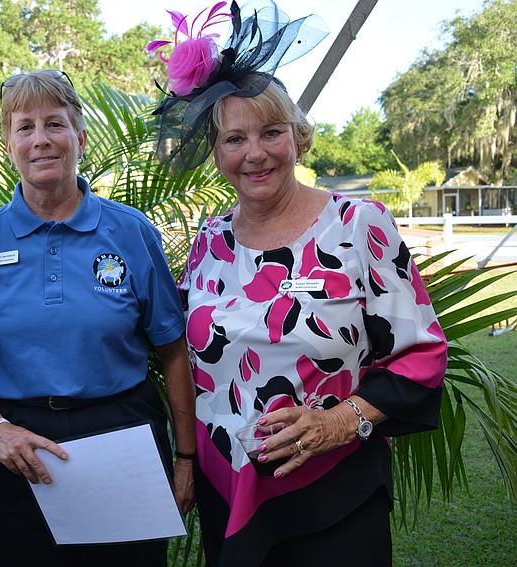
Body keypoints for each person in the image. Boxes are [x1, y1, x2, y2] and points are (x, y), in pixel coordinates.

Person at [149, 1, 448, 565]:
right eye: (234, 139)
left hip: (332, 489)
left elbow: (422, 354)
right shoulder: (209, 240)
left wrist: (337, 422)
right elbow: (185, 356)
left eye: (271, 132)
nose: (255, 153)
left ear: (299, 137)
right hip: (226, 488)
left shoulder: (358, 226)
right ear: (215, 152)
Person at [0, 70, 196, 566]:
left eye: (55, 124)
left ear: (79, 138)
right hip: (16, 447)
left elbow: (173, 349)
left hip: (121, 435)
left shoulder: (131, 231)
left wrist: (185, 458)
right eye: (25, 127)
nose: (40, 139)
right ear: (10, 145)